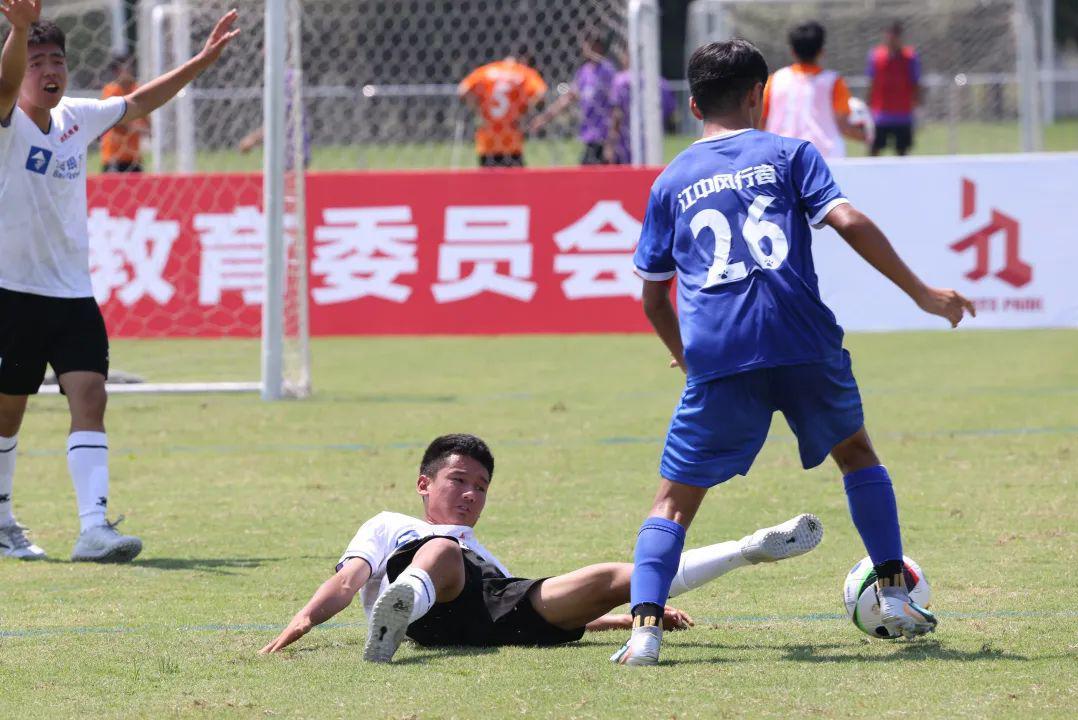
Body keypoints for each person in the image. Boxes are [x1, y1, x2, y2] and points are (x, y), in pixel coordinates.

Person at [617, 39, 976, 665]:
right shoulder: (790, 154)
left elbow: (653, 298)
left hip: (721, 353)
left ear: (694, 104)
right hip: (802, 338)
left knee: (673, 501)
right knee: (856, 454)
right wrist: (922, 293)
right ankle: (894, 594)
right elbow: (848, 220)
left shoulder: (670, 181)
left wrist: (688, 356)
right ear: (759, 95)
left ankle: (644, 630)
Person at [0, 1, 240, 561]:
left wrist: (201, 61)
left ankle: (93, 528)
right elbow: (5, 84)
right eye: (36, 62)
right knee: (8, 414)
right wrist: (18, 30)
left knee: (90, 394)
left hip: (72, 294)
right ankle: (3, 519)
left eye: (57, 60)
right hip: (12, 292)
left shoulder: (77, 117)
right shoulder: (7, 119)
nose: (49, 71)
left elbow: (140, 102)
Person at [259, 433, 824, 662]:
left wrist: (626, 616)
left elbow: (517, 602)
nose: (471, 494)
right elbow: (349, 579)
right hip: (430, 604)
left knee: (612, 576)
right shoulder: (391, 525)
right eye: (458, 480)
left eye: (481, 487)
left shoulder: (483, 554)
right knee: (444, 552)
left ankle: (748, 549)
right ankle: (399, 611)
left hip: (489, 614)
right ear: (424, 484)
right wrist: (304, 620)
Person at [760, 21, 868, 158]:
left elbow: (761, 121)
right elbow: (843, 125)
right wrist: (866, 135)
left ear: (792, 51)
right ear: (822, 51)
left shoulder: (775, 80)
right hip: (825, 157)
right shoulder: (833, 82)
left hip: (781, 156)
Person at [528, 32, 617, 165]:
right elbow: (568, 98)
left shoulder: (607, 70)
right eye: (588, 44)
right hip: (589, 134)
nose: (591, 48)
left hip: (605, 134)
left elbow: (615, 105)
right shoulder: (584, 72)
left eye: (595, 45)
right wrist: (544, 118)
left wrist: (612, 139)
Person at [457, 52, 546, 168]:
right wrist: (525, 112)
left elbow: (462, 90)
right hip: (511, 137)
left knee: (489, 177)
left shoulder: (486, 70)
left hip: (488, 139)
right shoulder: (523, 72)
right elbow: (541, 93)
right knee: (515, 177)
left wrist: (478, 110)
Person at [608, 46, 677, 165]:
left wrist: (611, 143)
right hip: (652, 142)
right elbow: (670, 112)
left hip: (625, 142)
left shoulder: (621, 80)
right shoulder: (660, 82)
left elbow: (617, 113)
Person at [866, 21, 922, 156]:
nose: (892, 39)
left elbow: (916, 84)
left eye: (895, 35)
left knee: (902, 154)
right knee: (873, 152)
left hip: (902, 115)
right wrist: (868, 105)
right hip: (880, 115)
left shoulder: (910, 57)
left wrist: (918, 108)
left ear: (900, 37)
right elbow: (871, 83)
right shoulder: (876, 56)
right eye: (889, 35)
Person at [99, 52, 147, 172]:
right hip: (114, 157)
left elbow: (147, 121)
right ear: (116, 71)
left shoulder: (137, 90)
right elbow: (116, 121)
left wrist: (141, 127)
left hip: (134, 157)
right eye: (126, 67)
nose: (130, 70)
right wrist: (136, 127)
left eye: (131, 66)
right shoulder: (111, 91)